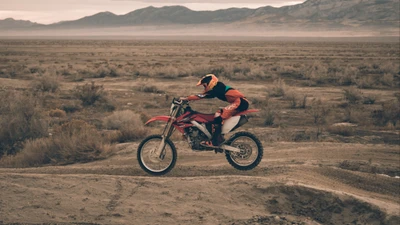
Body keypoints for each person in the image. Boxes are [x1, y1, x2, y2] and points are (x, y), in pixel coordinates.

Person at [180, 74, 249, 147]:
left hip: (241, 102)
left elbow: (202, 96)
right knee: (218, 114)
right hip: (238, 102)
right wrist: (188, 98)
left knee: (218, 115)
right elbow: (203, 95)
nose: (204, 87)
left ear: (210, 82)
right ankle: (216, 137)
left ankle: (216, 141)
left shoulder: (218, 88)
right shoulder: (217, 88)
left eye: (204, 85)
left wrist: (186, 98)